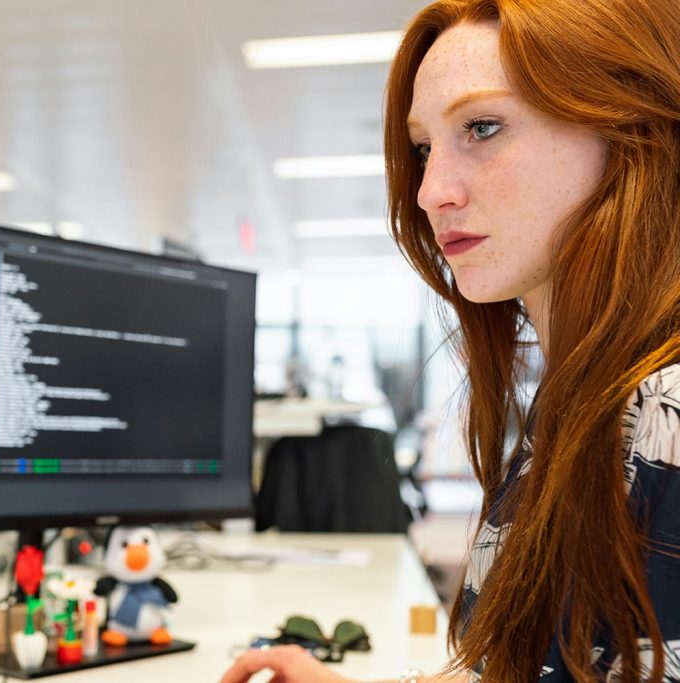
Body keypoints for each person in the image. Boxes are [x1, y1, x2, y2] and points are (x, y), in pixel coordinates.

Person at [220, 0, 680, 680]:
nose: (431, 190)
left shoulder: (665, 413)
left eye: (484, 127)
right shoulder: (580, 405)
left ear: (628, 124)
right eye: (425, 147)